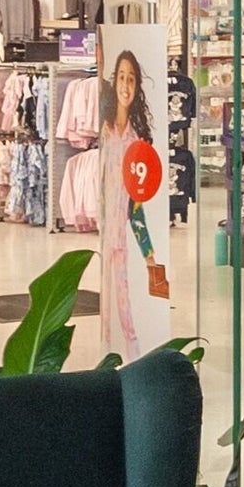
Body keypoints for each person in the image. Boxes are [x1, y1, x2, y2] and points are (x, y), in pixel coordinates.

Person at [92, 47, 154, 359]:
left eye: (131, 79)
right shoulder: (104, 131)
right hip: (104, 235)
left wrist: (150, 253)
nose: (126, 85)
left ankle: (134, 360)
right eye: (121, 77)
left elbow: (137, 206)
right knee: (107, 312)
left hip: (123, 241)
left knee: (125, 308)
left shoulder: (136, 141)